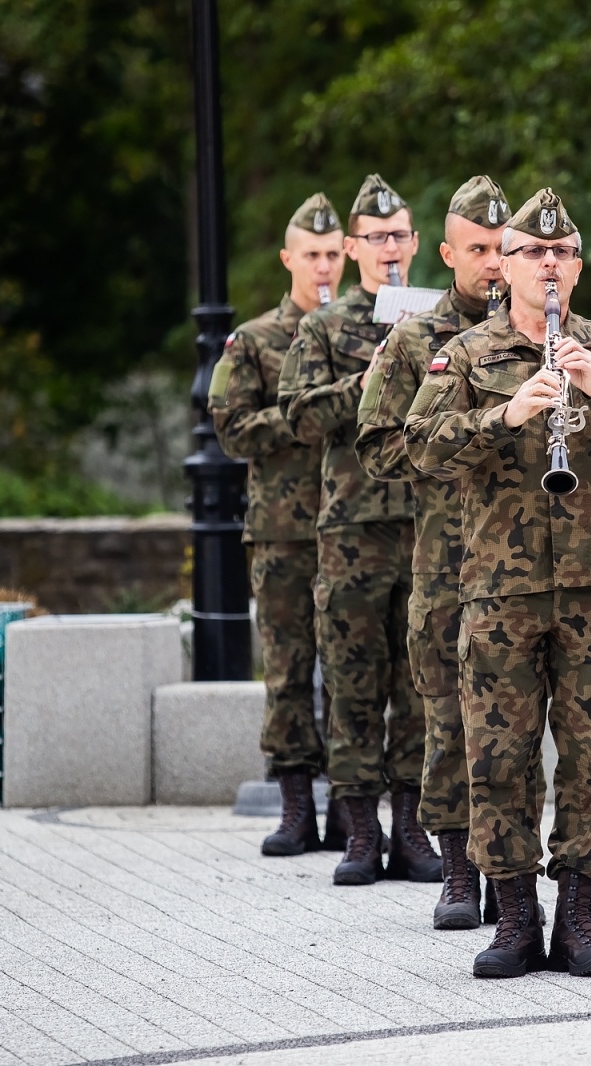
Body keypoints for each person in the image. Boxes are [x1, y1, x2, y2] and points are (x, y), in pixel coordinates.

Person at [404, 188, 591, 978]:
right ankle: (516, 922)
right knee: (498, 756)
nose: (549, 265)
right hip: (498, 591)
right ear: (505, 268)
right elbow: (418, 449)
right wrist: (502, 418)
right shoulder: (465, 356)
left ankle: (581, 921)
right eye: (532, 253)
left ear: (579, 266)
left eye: (562, 254)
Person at [355, 175, 516, 928]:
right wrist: (460, 443)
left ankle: (515, 879)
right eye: (477, 249)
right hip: (448, 566)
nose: (491, 262)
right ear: (447, 253)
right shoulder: (418, 339)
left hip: (526, 568)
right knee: (448, 721)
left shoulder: (546, 332)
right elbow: (378, 445)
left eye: (500, 248)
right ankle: (457, 873)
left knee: (516, 731)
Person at [276, 175, 439, 886]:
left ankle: (412, 829)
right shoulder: (323, 327)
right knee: (351, 684)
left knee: (421, 686)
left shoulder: (436, 318)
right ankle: (361, 834)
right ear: (351, 248)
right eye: (376, 238)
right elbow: (299, 415)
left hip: (426, 525)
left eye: (400, 235)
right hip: (352, 530)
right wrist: (368, 377)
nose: (390, 249)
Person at [209, 192, 343, 857]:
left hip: (353, 527)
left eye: (332, 255)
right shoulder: (257, 340)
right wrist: (305, 415)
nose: (323, 267)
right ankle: (296, 806)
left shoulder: (362, 335)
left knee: (356, 672)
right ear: (288, 258)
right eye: (311, 255)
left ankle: (353, 805)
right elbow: (230, 427)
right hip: (284, 531)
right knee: (290, 669)